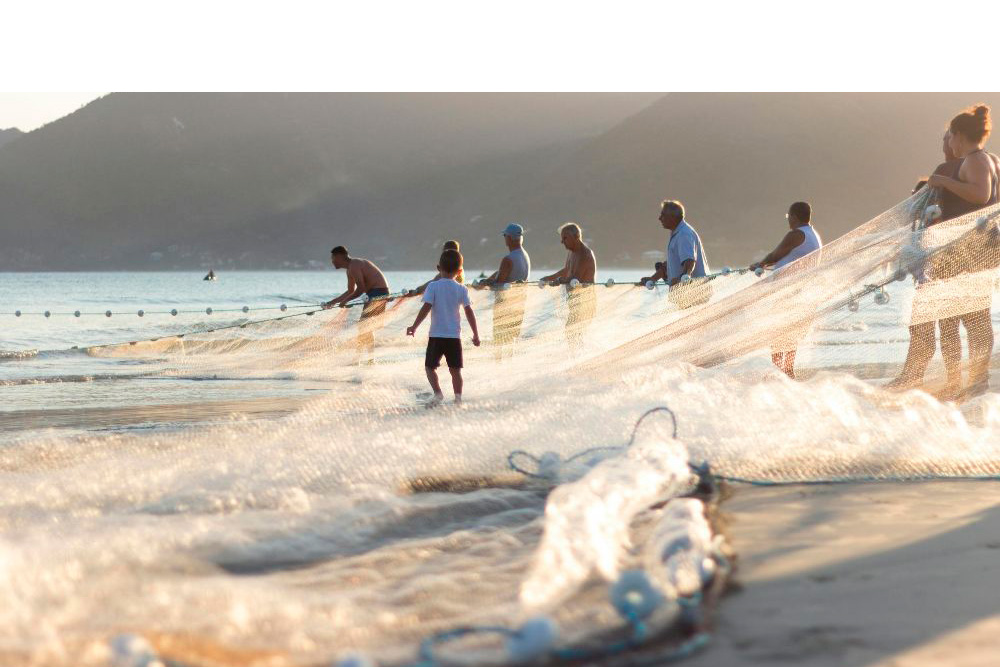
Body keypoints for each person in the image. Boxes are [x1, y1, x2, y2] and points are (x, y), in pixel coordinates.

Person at [925, 105, 1000, 397]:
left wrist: (943, 181)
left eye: (950, 136)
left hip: (964, 253)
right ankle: (968, 380)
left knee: (958, 318)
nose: (949, 143)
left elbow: (980, 195)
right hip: (978, 250)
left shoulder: (975, 160)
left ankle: (967, 380)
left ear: (958, 135)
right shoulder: (992, 160)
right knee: (972, 316)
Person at [748, 201, 823, 378]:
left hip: (790, 294)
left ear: (795, 217)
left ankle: (779, 373)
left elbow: (776, 254)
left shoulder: (796, 234)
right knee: (790, 337)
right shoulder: (814, 235)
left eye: (788, 216)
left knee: (778, 334)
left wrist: (760, 264)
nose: (788, 220)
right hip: (803, 294)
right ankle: (787, 372)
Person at [406, 249, 481, 405]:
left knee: (429, 368)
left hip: (436, 336)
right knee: (455, 371)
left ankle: (438, 393)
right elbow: (469, 312)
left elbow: (426, 308)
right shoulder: (462, 289)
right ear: (459, 271)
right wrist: (476, 334)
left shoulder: (433, 286)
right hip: (454, 337)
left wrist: (414, 326)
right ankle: (458, 399)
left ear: (438, 268)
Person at [323, 246, 391, 360]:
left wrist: (345, 301)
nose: (332, 261)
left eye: (333, 258)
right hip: (372, 294)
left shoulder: (355, 265)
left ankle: (361, 359)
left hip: (379, 293)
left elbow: (360, 288)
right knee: (365, 327)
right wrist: (332, 302)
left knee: (364, 326)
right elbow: (350, 291)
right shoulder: (350, 270)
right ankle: (367, 359)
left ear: (340, 256)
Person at [641, 200, 711, 309]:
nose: (660, 218)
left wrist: (683, 276)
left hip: (694, 293)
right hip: (686, 294)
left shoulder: (684, 234)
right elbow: (671, 265)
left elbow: (689, 260)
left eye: (663, 215)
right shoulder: (677, 233)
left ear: (673, 217)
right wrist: (652, 279)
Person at [480, 223, 531, 360]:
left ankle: (498, 367)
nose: (504, 239)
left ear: (509, 238)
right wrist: (492, 278)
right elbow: (505, 274)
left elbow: (500, 284)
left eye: (505, 236)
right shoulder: (524, 255)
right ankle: (510, 367)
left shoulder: (508, 259)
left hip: (505, 307)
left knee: (499, 340)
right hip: (519, 304)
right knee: (511, 340)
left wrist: (487, 283)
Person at [541, 222, 597, 342]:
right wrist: (548, 278)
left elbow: (575, 278)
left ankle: (580, 359)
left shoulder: (585, 254)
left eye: (565, 238)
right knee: (570, 332)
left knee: (573, 333)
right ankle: (576, 357)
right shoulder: (572, 252)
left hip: (584, 303)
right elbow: (567, 270)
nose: (562, 242)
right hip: (573, 302)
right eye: (562, 238)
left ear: (576, 237)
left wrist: (559, 281)